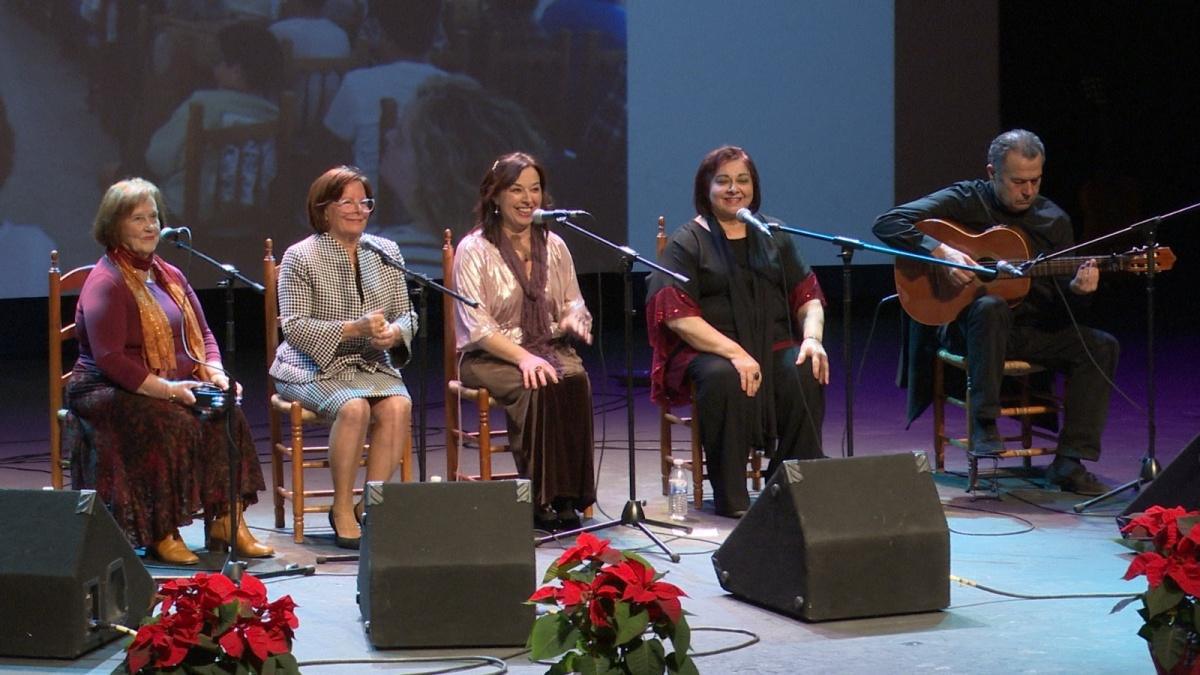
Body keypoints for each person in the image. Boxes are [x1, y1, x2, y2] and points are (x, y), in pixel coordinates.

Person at [872, 129, 1118, 496]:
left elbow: (1062, 301)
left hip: (1027, 330)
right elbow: (887, 223)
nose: (1028, 191)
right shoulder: (965, 199)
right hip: (969, 329)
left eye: (1035, 180)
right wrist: (942, 252)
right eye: (1018, 181)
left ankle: (1069, 462)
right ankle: (984, 425)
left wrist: (1079, 291)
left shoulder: (1054, 221)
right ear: (992, 173)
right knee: (991, 306)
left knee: (1101, 346)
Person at [63, 178, 271, 565]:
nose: (150, 226)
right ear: (114, 226)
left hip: (171, 383)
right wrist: (171, 391)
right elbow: (111, 360)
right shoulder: (107, 282)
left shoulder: (169, 274)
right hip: (104, 389)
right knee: (169, 421)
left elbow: (203, 334)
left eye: (153, 217)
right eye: (137, 219)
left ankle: (227, 521)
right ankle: (162, 531)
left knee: (228, 410)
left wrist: (216, 373)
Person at [646, 145, 829, 518]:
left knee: (806, 369)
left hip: (770, 341)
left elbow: (808, 297)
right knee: (724, 377)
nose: (734, 189)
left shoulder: (774, 234)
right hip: (710, 349)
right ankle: (732, 497)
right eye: (723, 181)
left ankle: (786, 485)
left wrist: (812, 338)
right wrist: (735, 352)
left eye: (742, 180)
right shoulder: (687, 240)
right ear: (706, 188)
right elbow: (678, 316)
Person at [270, 165, 415, 549]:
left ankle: (372, 506)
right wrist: (354, 328)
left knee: (398, 405)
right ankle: (341, 509)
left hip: (370, 363)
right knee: (354, 408)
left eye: (364, 202)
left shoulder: (386, 251)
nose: (357, 210)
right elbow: (294, 327)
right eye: (346, 202)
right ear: (324, 209)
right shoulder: (300, 256)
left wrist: (394, 333)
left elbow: (407, 313)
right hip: (310, 365)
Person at [451, 152, 595, 529]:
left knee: (574, 379)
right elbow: (477, 326)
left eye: (535, 189)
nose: (528, 199)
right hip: (488, 355)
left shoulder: (555, 245)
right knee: (538, 382)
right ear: (495, 196)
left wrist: (575, 316)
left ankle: (569, 497)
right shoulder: (474, 249)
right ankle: (538, 497)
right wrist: (523, 357)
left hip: (547, 346)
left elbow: (573, 301)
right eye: (517, 190)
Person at [375, 73, 548, 274]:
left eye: (402, 139)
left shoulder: (389, 257)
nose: (389, 136)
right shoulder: (526, 254)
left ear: (434, 171)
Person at [144, 21, 283, 222]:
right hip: (253, 216)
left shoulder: (203, 104)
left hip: (187, 212)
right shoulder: (275, 114)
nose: (214, 68)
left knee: (116, 179)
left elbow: (157, 159)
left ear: (236, 70)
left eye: (219, 62)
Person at [322, 0, 447, 187]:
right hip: (432, 203)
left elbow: (329, 150)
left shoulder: (358, 83)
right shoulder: (453, 89)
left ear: (381, 32)